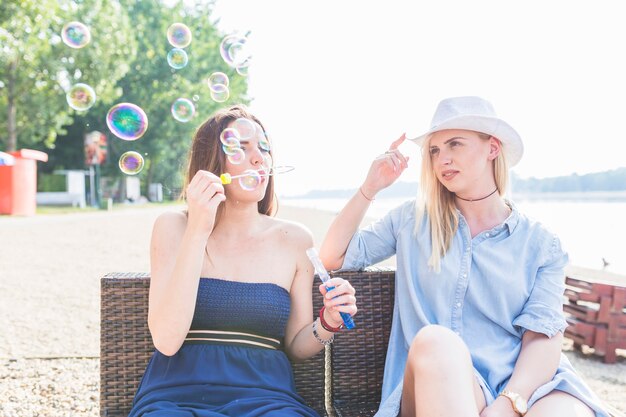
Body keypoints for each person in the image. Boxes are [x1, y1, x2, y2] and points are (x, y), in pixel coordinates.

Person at [319, 96, 609, 417]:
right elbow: (334, 256)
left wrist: (507, 405)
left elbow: (543, 338)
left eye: (455, 144)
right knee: (436, 341)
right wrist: (369, 188)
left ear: (492, 148)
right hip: (439, 380)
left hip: (526, 385)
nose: (443, 159)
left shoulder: (542, 244)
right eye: (434, 150)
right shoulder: (411, 221)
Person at [128, 105, 357, 417]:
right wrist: (198, 228)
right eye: (241, 147)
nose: (259, 158)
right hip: (174, 398)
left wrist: (329, 320)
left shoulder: (296, 240)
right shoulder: (173, 227)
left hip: (268, 399)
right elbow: (167, 341)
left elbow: (296, 344)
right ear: (211, 163)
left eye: (264, 148)